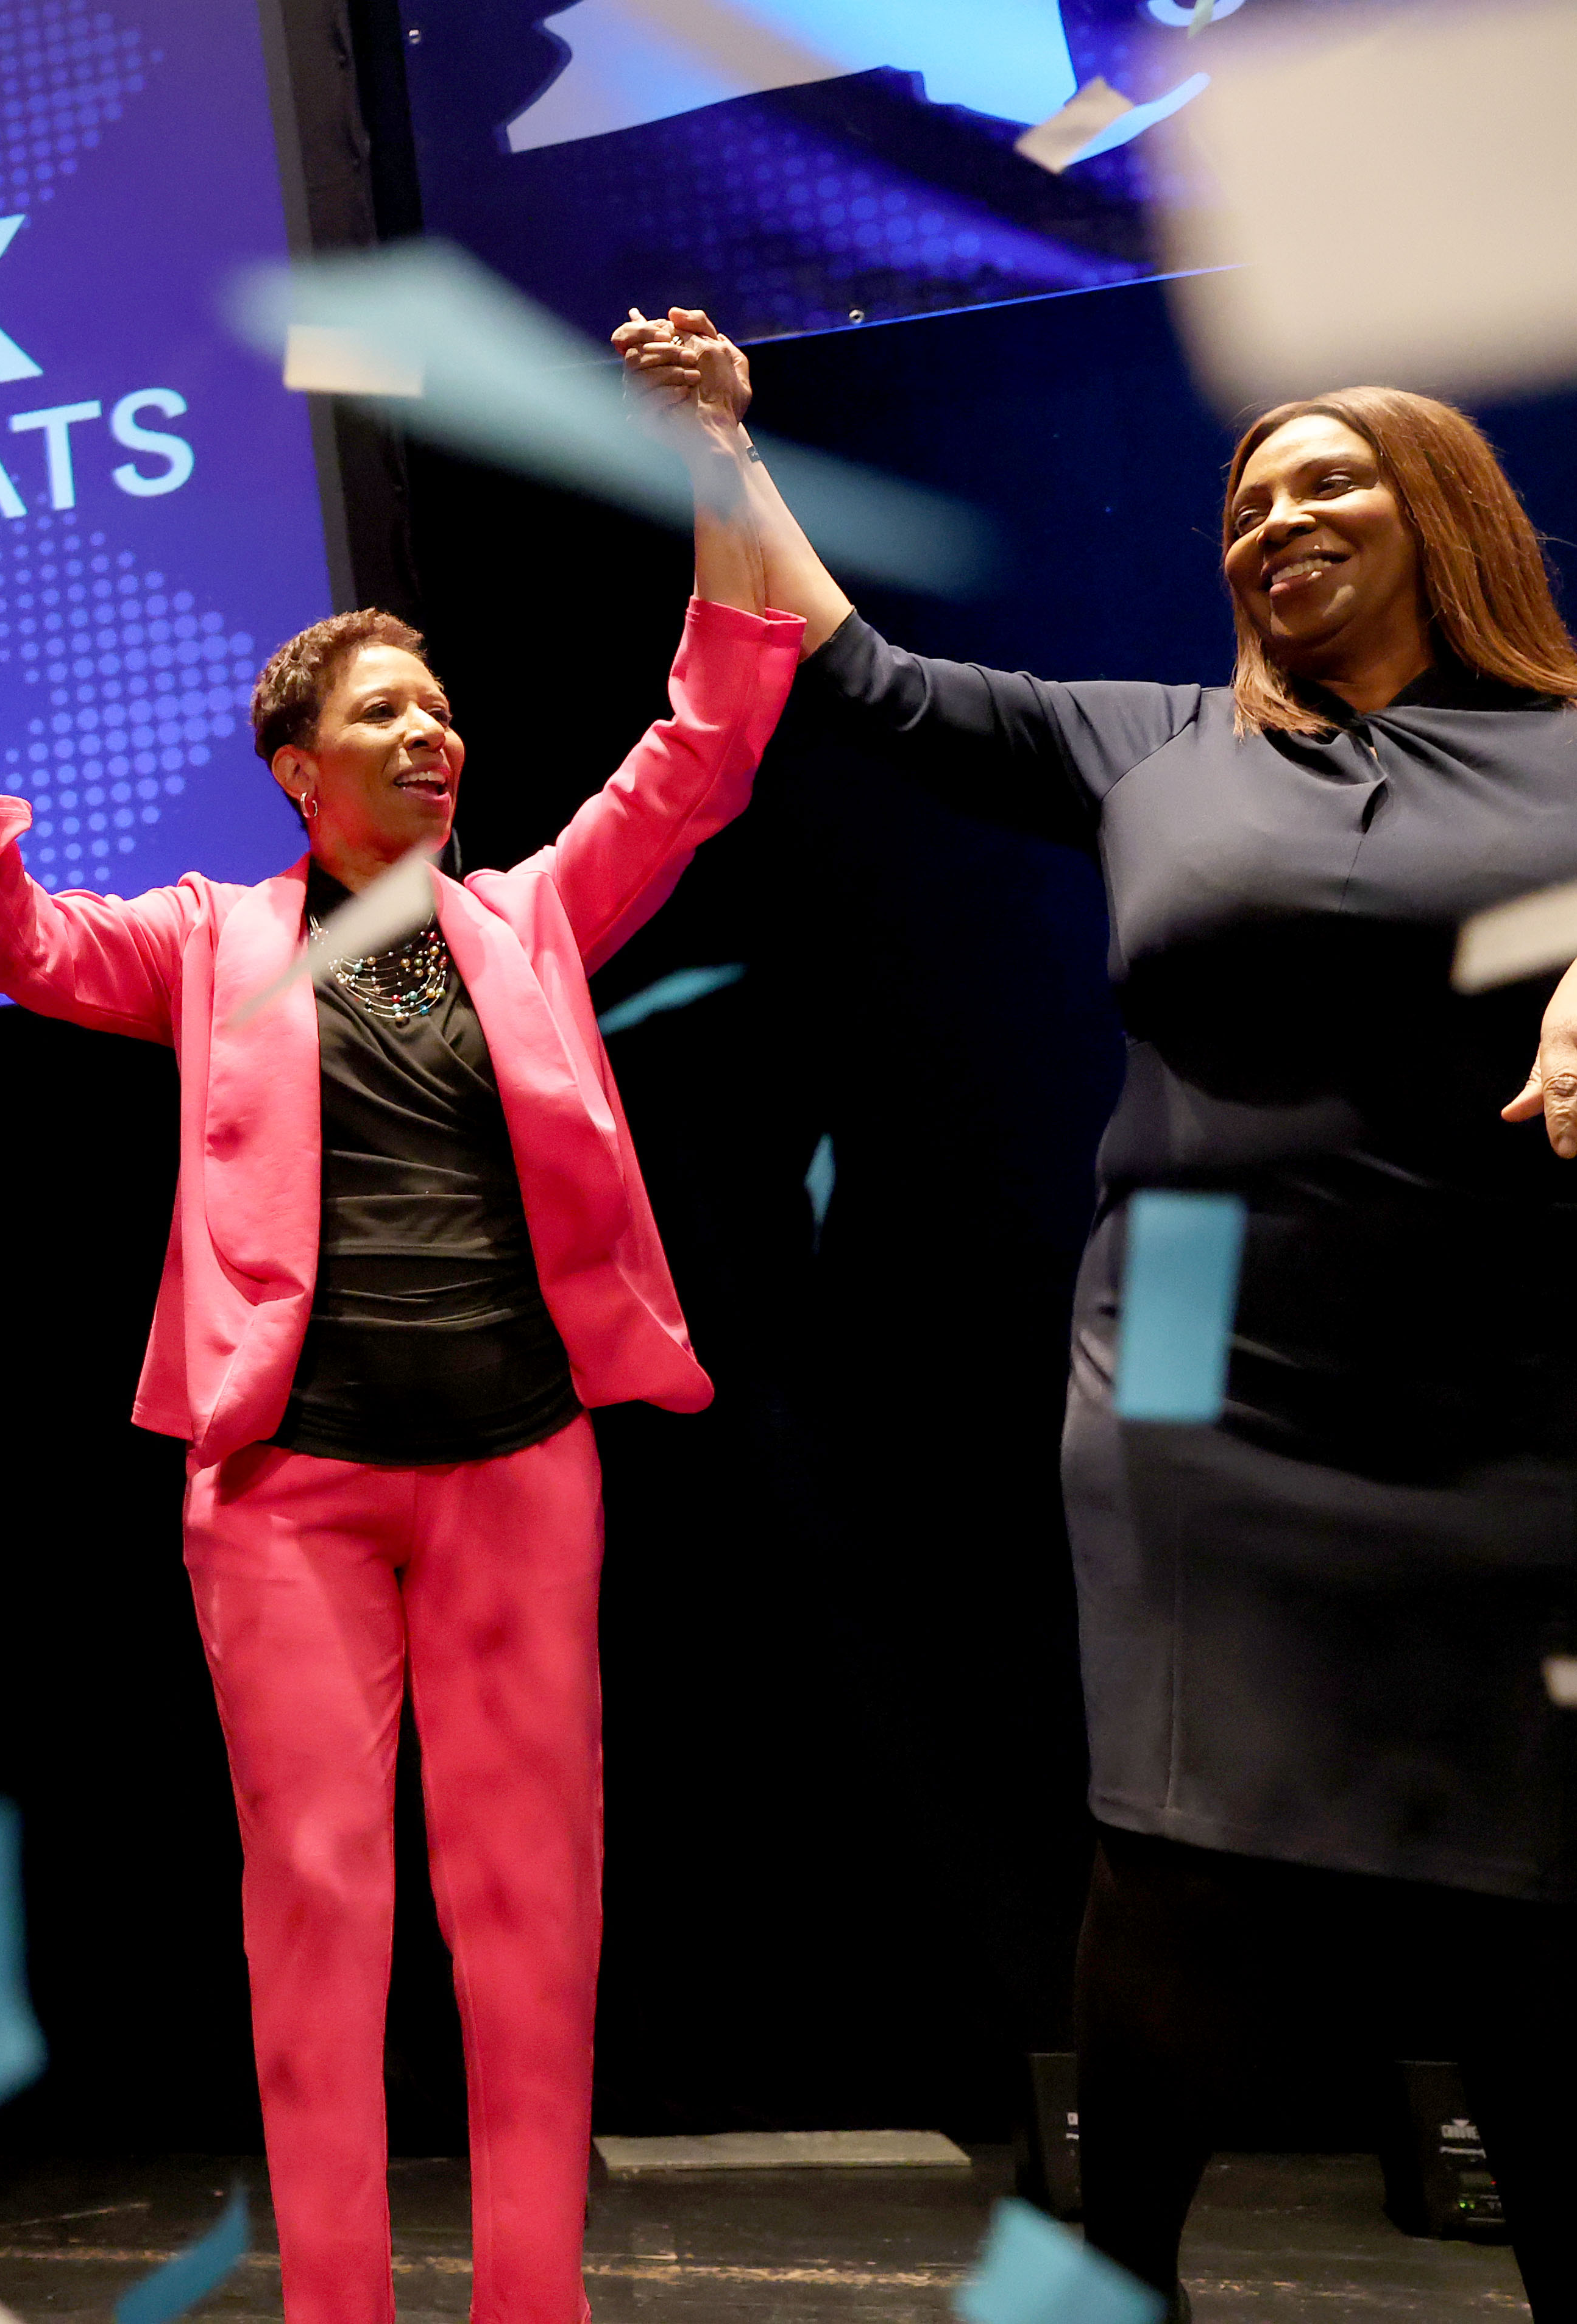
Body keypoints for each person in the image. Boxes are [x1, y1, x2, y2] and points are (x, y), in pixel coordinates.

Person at [617, 314, 1577, 2311]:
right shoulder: (1154, 744)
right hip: (1198, 1373)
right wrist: (721, 448)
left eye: (1327, 479)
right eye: (1246, 502)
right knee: (1183, 1852)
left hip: (1514, 1400)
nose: (1276, 519)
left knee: (1529, 1902)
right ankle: (1115, 2279)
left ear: (1446, 513)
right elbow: (847, 672)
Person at [0, 392, 804, 2322]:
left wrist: (721, 466)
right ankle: (336, 2306)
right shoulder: (211, 942)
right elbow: (2, 937)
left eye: (442, 706)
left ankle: (531, 2303)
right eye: (387, 711)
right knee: (319, 1908)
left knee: (528, 1915)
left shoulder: (532, 916)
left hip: (515, 1467)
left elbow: (707, 748)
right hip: (287, 1490)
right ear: (300, 769)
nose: (433, 732)